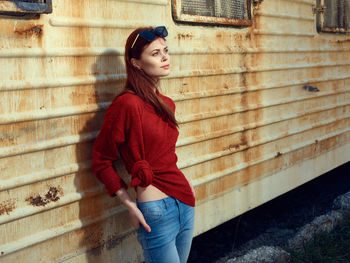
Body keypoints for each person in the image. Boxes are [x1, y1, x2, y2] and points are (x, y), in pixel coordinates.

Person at [92, 26, 196, 263]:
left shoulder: (167, 104)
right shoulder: (126, 105)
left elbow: (166, 154)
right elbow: (101, 158)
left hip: (185, 201)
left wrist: (189, 186)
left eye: (166, 51)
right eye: (155, 53)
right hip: (155, 210)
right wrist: (128, 203)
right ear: (136, 63)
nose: (165, 57)